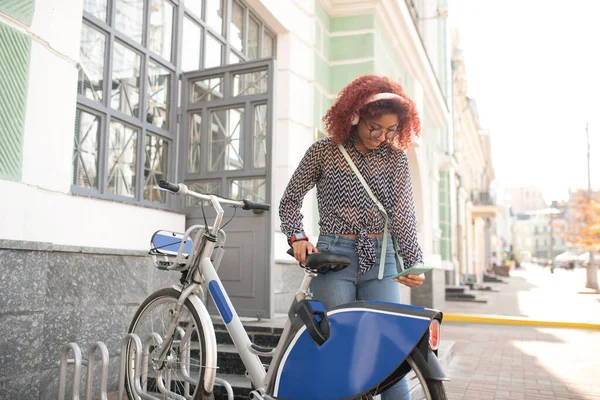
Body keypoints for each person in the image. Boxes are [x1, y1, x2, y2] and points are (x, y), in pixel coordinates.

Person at [279, 74, 425, 400]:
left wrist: (413, 260)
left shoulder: (396, 158)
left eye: (390, 130)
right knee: (338, 351)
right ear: (355, 115)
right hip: (334, 255)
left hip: (382, 257)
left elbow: (403, 215)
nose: (382, 136)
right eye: (376, 127)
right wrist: (297, 236)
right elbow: (289, 201)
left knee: (390, 354)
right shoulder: (323, 151)